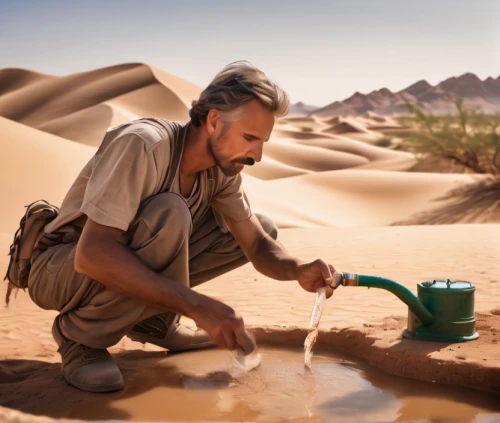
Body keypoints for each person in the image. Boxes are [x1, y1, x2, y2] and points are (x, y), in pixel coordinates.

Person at [24, 61, 339, 393]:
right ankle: (80, 338)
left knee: (261, 226)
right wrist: (195, 305)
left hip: (100, 264)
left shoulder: (222, 171)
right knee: (170, 213)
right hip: (60, 269)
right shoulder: (144, 146)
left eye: (263, 142)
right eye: (249, 138)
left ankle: (153, 321)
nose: (257, 156)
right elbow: (92, 254)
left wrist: (297, 269)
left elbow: (257, 244)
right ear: (215, 121)